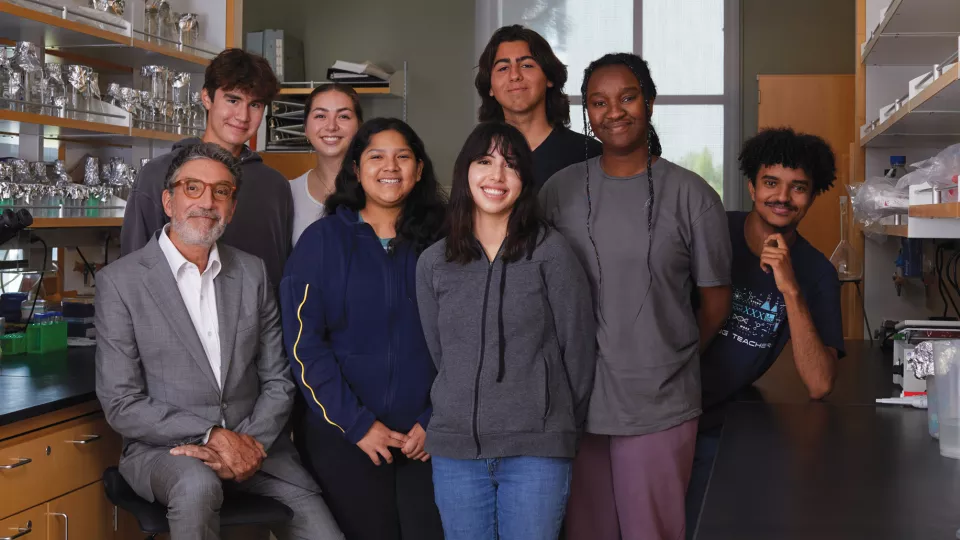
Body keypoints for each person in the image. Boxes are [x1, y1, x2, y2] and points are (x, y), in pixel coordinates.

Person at [95, 142, 343, 540]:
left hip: (259, 449)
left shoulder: (252, 272)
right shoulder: (120, 283)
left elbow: (279, 380)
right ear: (168, 200)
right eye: (193, 188)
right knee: (197, 486)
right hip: (165, 452)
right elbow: (122, 403)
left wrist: (248, 445)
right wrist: (213, 436)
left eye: (221, 191)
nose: (207, 201)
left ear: (232, 206)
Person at [539, 53, 733, 540]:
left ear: (649, 101)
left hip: (659, 403)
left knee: (652, 532)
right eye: (598, 102)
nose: (614, 111)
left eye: (627, 97)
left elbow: (714, 302)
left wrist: (670, 357)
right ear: (587, 112)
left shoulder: (692, 196)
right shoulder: (558, 193)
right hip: (576, 402)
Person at [416, 122, 596, 539]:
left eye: (510, 165)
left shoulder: (551, 253)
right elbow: (439, 352)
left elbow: (579, 353)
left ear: (524, 181)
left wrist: (555, 422)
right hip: (456, 451)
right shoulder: (433, 263)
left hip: (537, 450)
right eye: (485, 161)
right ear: (465, 172)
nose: (496, 175)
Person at [280, 118, 446, 540]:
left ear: (420, 168)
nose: (390, 167)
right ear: (356, 168)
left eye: (403, 157)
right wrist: (356, 425)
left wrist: (435, 418)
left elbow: (467, 340)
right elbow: (304, 347)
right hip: (345, 438)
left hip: (430, 439)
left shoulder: (447, 242)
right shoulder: (321, 242)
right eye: (376, 156)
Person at [685, 127, 845, 538]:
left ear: (812, 195)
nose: (782, 197)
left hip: (721, 422)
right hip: (663, 409)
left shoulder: (816, 274)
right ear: (752, 187)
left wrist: (790, 287)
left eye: (798, 188)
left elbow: (819, 382)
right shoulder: (711, 231)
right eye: (771, 183)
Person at [121, 48, 292, 289]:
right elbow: (133, 271)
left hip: (259, 324)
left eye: (255, 105)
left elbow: (280, 275)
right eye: (233, 100)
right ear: (207, 98)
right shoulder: (158, 174)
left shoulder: (276, 186)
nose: (243, 116)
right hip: (176, 323)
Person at [476, 25, 602, 192]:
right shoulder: (476, 153)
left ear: (549, 77)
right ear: (490, 87)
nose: (514, 75)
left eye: (527, 65)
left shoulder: (588, 153)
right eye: (503, 68)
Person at [289, 83, 363, 245]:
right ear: (306, 128)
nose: (331, 126)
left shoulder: (377, 190)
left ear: (359, 126)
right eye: (320, 116)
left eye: (343, 116)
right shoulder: (287, 193)